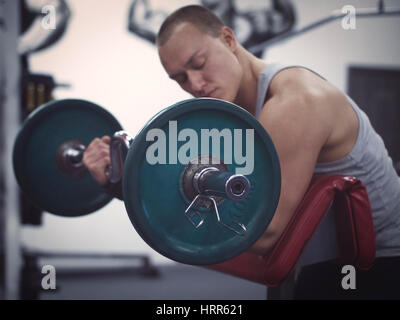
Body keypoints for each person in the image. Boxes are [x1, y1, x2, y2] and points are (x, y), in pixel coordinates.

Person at [83, 5, 400, 299]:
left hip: (379, 264)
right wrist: (124, 184)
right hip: (321, 254)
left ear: (228, 38)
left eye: (199, 63)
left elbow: (264, 234)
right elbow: (203, 190)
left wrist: (147, 202)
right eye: (180, 78)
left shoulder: (296, 101)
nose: (194, 83)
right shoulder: (229, 113)